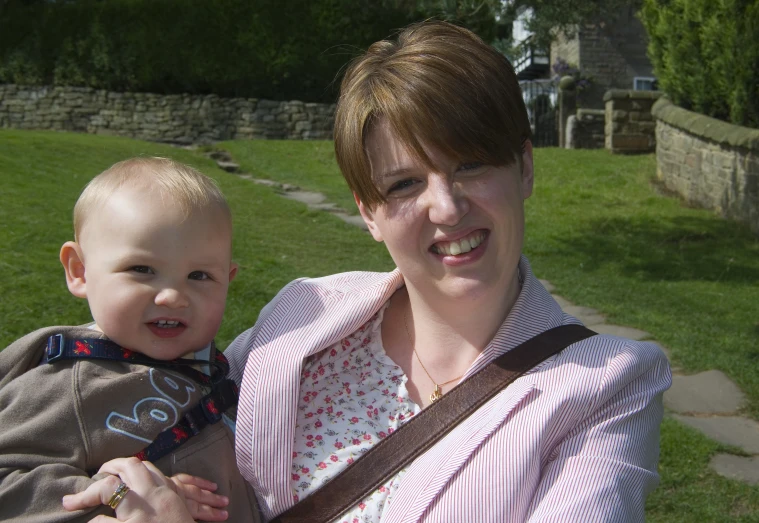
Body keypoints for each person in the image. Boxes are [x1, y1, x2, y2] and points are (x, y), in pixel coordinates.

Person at [64, 21, 672, 522]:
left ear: (525, 169)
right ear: (369, 214)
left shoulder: (605, 386)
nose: (447, 206)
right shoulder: (305, 313)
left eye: (471, 165)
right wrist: (124, 483)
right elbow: (161, 429)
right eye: (405, 183)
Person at [0, 157, 260, 522]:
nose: (173, 296)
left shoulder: (212, 366)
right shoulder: (71, 381)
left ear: (227, 280)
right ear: (80, 271)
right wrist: (110, 497)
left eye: (199, 275)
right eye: (142, 269)